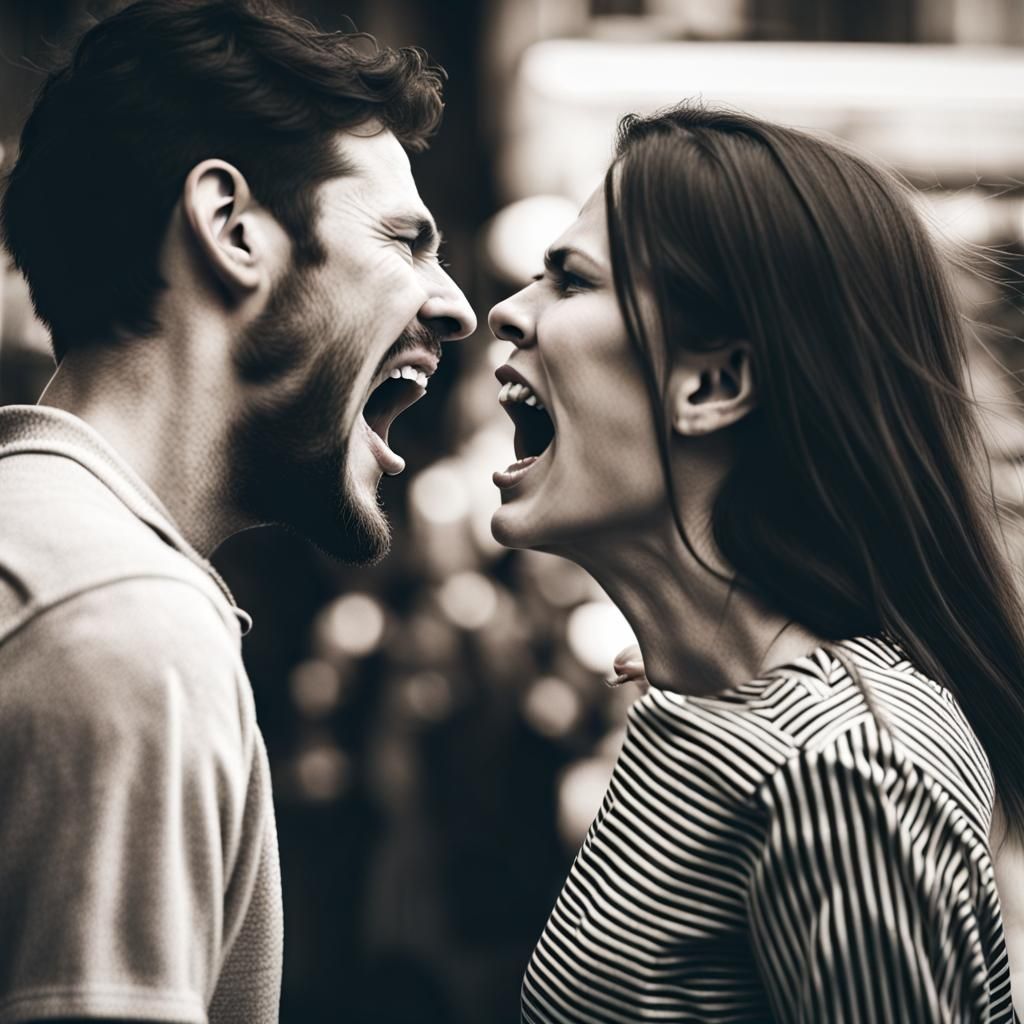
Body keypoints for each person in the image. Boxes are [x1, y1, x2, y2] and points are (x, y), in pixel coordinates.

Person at [488, 103, 1024, 1022]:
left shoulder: (840, 775)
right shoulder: (720, 712)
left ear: (714, 384)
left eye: (570, 281)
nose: (505, 311)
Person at [0, 1, 474, 1021]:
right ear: (231, 228)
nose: (457, 307)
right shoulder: (121, 626)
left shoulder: (42, 552)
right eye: (406, 242)